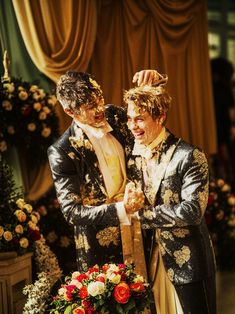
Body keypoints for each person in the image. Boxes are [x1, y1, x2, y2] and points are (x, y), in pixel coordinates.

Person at [47, 69, 158, 271]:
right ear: (70, 112)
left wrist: (154, 86)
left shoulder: (114, 115)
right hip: (99, 249)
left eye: (100, 99)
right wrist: (122, 209)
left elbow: (149, 117)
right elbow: (72, 212)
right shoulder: (62, 151)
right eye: (90, 106)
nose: (100, 109)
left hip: (144, 228)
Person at [123, 79, 216, 313]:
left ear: (161, 117)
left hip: (188, 263)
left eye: (140, 118)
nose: (132, 125)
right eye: (129, 118)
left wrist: (142, 216)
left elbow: (192, 211)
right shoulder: (134, 154)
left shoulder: (190, 155)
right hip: (149, 264)